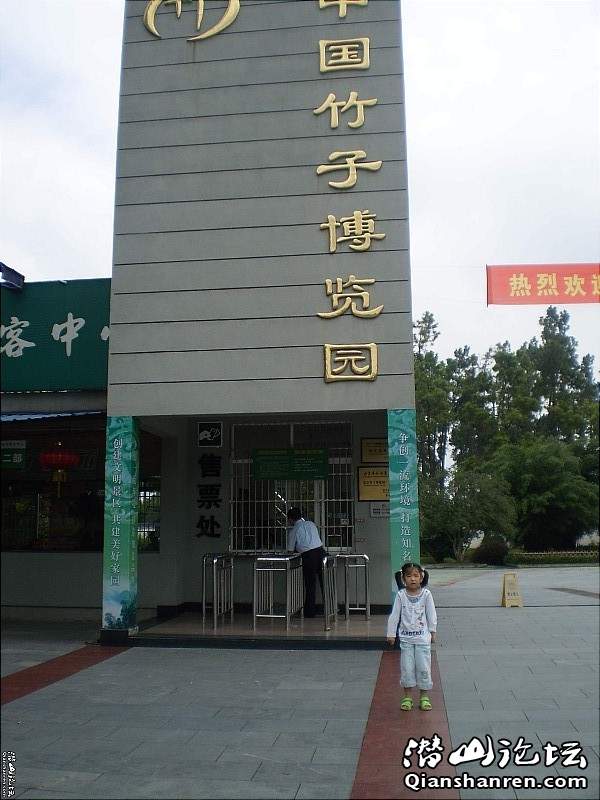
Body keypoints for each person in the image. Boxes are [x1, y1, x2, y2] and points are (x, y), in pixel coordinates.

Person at [386, 562, 437, 711]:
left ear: (421, 577)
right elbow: (394, 615)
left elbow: (431, 614)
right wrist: (391, 634)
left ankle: (424, 697)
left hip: (422, 640)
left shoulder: (426, 595)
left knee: (424, 668)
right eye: (409, 576)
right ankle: (407, 697)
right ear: (403, 579)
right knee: (407, 669)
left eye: (416, 575)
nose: (412, 579)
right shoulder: (401, 595)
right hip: (406, 640)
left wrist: (433, 631)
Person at [287, 507, 326, 618]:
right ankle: (330, 608)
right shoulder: (311, 524)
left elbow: (290, 550)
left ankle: (310, 612)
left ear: (290, 519)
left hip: (308, 556)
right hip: (321, 553)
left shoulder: (294, 530)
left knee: (310, 584)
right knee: (325, 582)